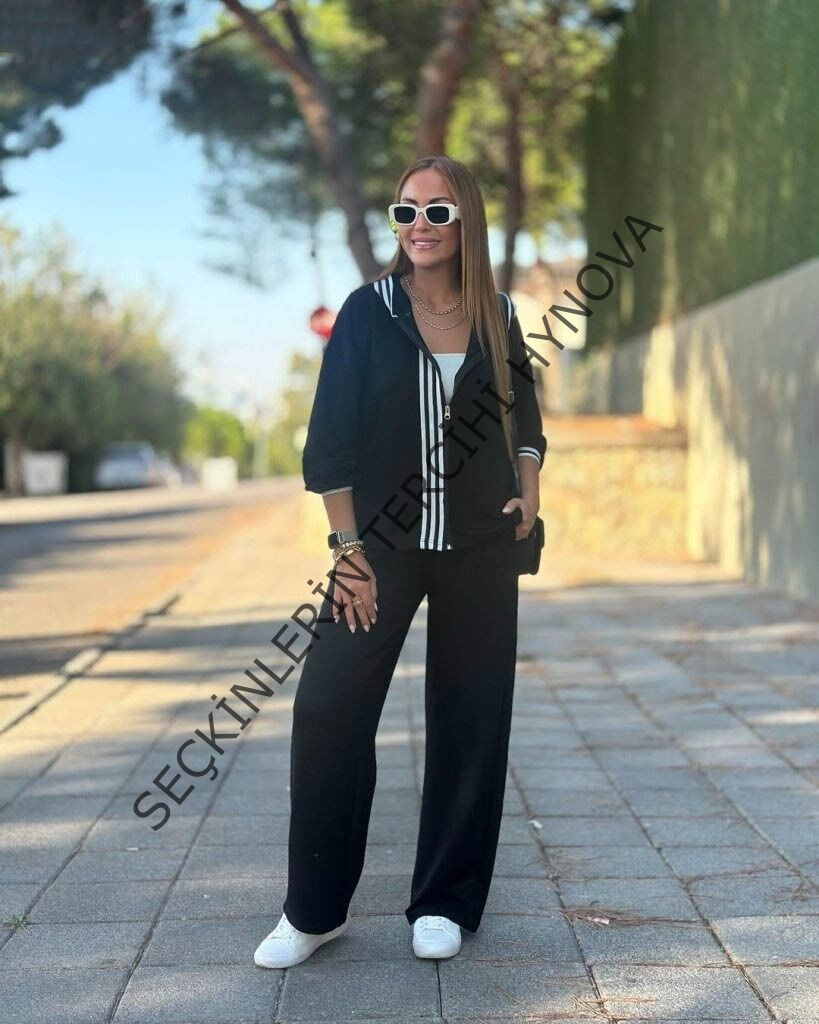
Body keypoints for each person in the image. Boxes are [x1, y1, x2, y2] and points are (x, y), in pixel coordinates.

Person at [254, 154, 546, 969]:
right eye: (406, 210)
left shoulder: (498, 314)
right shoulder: (367, 311)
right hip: (378, 548)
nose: (419, 224)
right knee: (328, 711)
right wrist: (346, 550)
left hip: (481, 546)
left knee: (471, 718)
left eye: (438, 211)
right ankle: (314, 912)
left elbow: (525, 416)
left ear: (466, 221)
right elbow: (330, 438)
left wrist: (529, 489)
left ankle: (445, 902)